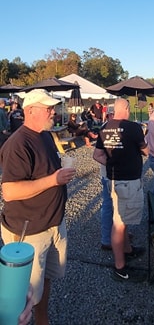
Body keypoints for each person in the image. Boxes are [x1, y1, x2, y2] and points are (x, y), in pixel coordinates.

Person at [0, 89, 77, 325]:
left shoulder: (44, 135)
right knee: (22, 294)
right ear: (30, 111)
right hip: (29, 230)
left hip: (53, 223)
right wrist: (54, 180)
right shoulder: (18, 144)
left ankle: (43, 320)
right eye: (48, 108)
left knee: (45, 281)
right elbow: (10, 191)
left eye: (53, 107)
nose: (53, 112)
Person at [92, 98, 148, 281]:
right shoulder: (133, 127)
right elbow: (146, 151)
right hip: (128, 181)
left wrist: (113, 164)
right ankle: (119, 267)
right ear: (126, 108)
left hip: (114, 180)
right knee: (120, 222)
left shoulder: (105, 127)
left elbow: (97, 155)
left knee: (121, 217)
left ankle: (127, 250)